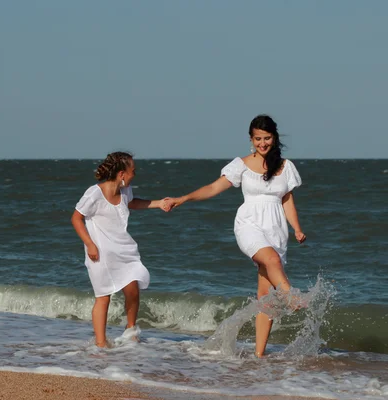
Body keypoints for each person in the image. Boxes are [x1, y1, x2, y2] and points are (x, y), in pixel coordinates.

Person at [165, 115, 307, 357]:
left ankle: (259, 355)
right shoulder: (240, 165)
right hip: (249, 224)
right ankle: (293, 299)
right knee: (271, 260)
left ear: (275, 138)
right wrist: (184, 198)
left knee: (266, 297)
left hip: (276, 229)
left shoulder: (286, 167)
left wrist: (296, 228)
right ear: (251, 139)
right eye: (258, 139)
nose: (263, 143)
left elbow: (286, 199)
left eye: (267, 138)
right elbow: (212, 187)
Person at [71, 151, 168, 348]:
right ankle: (100, 343)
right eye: (133, 170)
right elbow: (76, 218)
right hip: (99, 252)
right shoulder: (94, 193)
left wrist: (159, 204)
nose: (135, 174)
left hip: (123, 249)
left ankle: (130, 330)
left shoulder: (125, 191)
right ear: (122, 174)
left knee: (133, 287)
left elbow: (131, 203)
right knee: (103, 296)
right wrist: (90, 244)